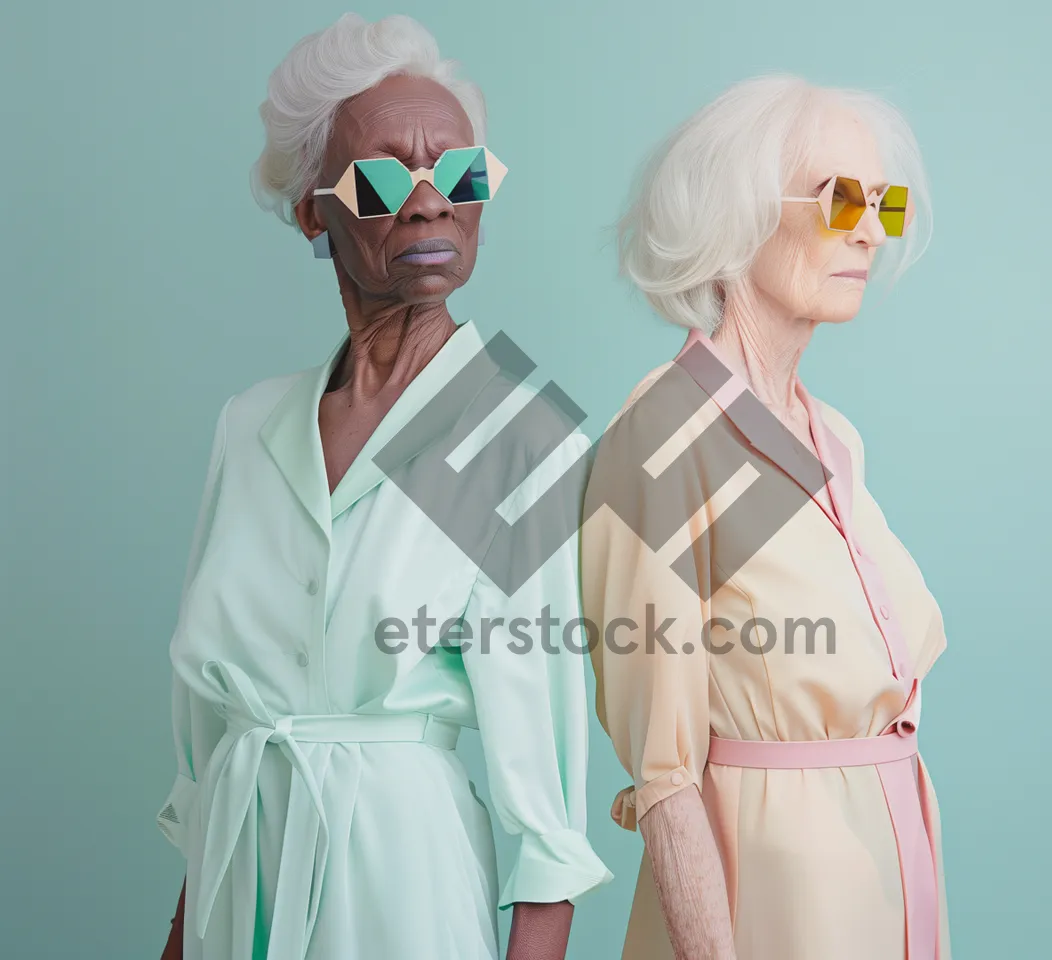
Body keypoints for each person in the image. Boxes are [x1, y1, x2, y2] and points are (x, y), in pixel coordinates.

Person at [156, 14, 610, 960]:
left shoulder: (512, 432)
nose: (429, 203)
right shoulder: (251, 426)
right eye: (384, 176)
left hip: (401, 886)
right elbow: (207, 753)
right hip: (239, 882)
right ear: (312, 211)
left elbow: (548, 819)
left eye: (462, 175)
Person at [582, 75, 951, 959]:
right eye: (841, 199)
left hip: (888, 874)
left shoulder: (836, 438)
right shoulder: (669, 436)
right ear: (737, 212)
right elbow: (666, 782)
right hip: (774, 902)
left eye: (885, 202)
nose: (870, 228)